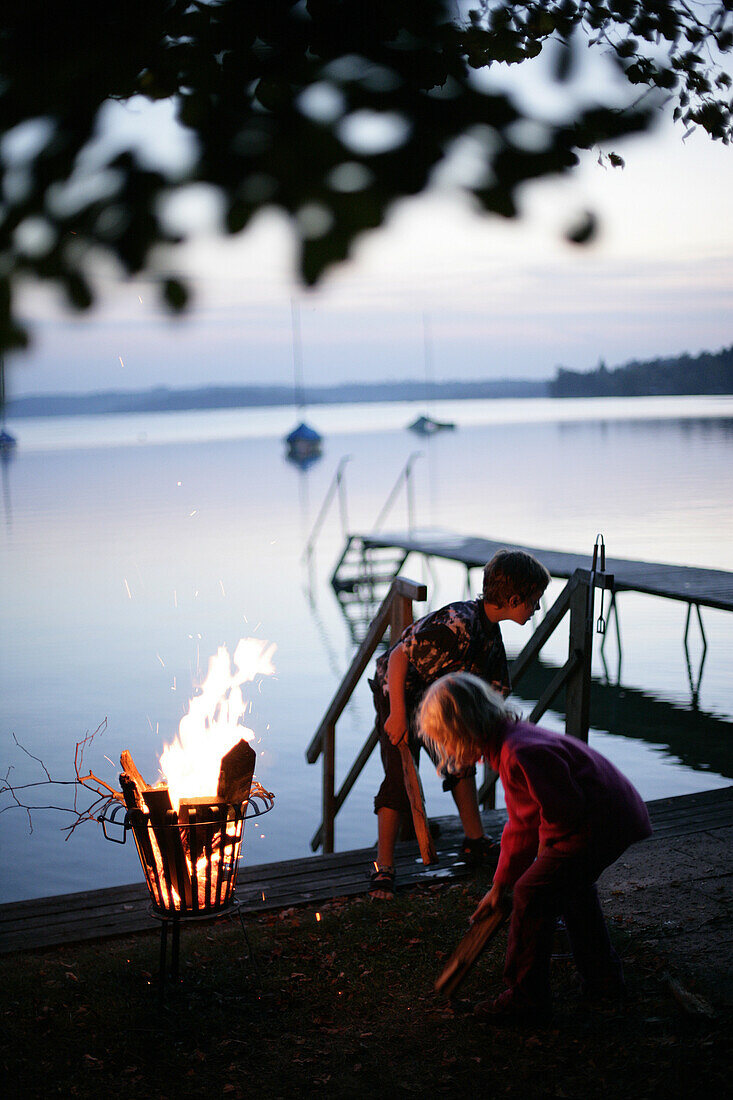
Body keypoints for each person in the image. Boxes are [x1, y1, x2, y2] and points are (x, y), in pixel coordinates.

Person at [419, 672, 653, 1022]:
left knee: (532, 892)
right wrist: (499, 886)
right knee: (571, 888)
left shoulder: (519, 751)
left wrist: (535, 868)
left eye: (445, 739)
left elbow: (562, 813)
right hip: (611, 815)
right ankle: (603, 979)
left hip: (602, 821)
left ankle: (526, 997)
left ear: (463, 728)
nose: (447, 749)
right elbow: (523, 822)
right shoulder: (510, 741)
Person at [369, 548, 551, 900]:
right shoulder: (458, 625)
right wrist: (396, 714)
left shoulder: (490, 634)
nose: (536, 608)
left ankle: (474, 840)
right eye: (534, 601)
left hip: (441, 702)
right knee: (398, 776)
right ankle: (384, 867)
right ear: (514, 599)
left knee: (461, 762)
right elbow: (397, 655)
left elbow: (494, 691)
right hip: (399, 694)